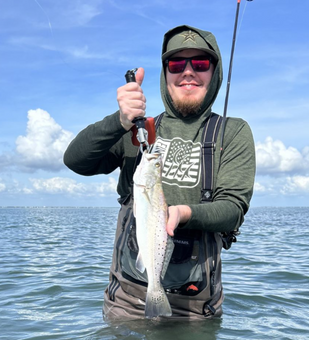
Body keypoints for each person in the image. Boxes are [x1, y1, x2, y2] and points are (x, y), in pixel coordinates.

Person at [63, 25, 256, 321]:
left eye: (200, 64)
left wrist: (183, 213)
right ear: (165, 73)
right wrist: (120, 120)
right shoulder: (139, 131)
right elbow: (76, 160)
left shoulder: (232, 132)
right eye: (177, 64)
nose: (188, 72)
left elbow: (233, 209)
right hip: (126, 301)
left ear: (214, 72)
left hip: (195, 307)